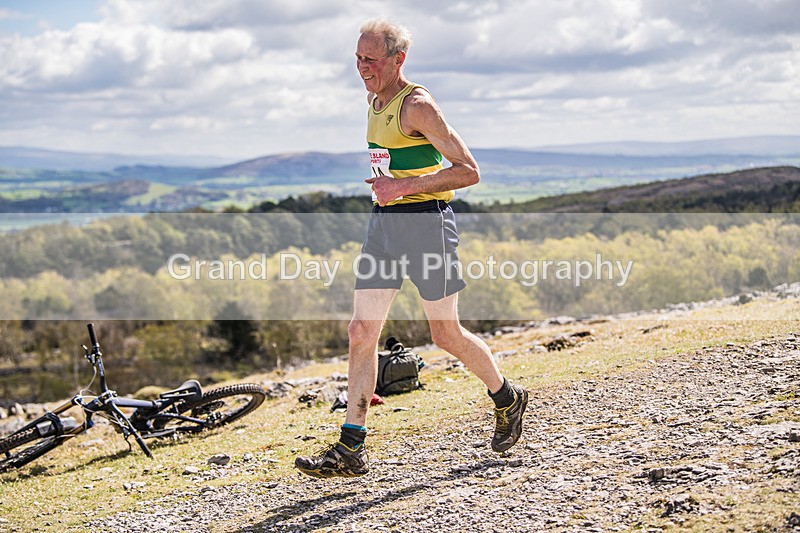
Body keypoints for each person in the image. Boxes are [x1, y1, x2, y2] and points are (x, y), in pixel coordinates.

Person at [295, 17, 528, 479]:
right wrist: (392, 196)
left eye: (371, 60)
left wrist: (405, 188)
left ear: (398, 59)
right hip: (384, 226)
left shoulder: (418, 105)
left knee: (445, 335)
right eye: (357, 58)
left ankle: (506, 396)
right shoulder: (374, 98)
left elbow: (468, 170)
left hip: (427, 226)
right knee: (362, 330)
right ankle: (351, 447)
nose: (362, 68)